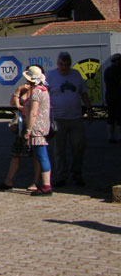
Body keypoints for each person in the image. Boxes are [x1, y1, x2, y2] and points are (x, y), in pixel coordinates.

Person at [0, 67, 45, 191]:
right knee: (16, 154)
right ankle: (9, 180)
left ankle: (36, 181)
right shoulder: (24, 88)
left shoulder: (39, 90)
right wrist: (19, 89)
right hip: (23, 125)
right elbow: (12, 102)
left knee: (36, 155)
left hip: (35, 125)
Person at [48, 51, 94, 187]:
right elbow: (44, 93)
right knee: (59, 150)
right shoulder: (51, 75)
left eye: (67, 65)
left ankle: (77, 174)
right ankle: (61, 176)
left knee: (79, 147)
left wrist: (90, 109)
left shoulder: (76, 75)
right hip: (58, 118)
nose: (64, 68)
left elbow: (84, 93)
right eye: (62, 65)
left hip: (75, 118)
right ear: (58, 64)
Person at [19, 66, 53, 196]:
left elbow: (33, 112)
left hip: (37, 127)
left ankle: (46, 185)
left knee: (41, 155)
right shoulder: (43, 89)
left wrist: (28, 129)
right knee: (41, 155)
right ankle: (45, 184)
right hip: (42, 126)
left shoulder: (36, 92)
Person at [104, 53, 121, 143]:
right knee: (119, 117)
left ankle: (110, 136)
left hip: (109, 96)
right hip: (118, 96)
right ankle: (119, 136)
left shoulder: (107, 70)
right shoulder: (119, 70)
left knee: (110, 116)